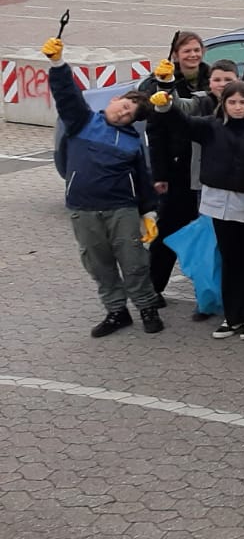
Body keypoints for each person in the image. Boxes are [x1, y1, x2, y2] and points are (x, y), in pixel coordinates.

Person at [43, 34, 164, 337]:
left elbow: (143, 181)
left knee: (134, 262)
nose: (123, 113)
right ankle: (116, 312)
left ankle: (147, 307)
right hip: (83, 210)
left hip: (121, 210)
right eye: (123, 106)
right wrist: (58, 64)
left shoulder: (132, 142)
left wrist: (149, 213)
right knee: (98, 264)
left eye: (129, 115)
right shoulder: (81, 122)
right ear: (114, 101)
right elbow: (66, 94)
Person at [153, 80, 244, 340]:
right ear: (224, 104)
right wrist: (166, 105)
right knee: (229, 260)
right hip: (217, 203)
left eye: (243, 102)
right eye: (232, 102)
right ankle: (232, 316)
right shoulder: (210, 126)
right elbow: (183, 124)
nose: (237, 107)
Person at [138, 32, 210, 304]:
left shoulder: (212, 77)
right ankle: (152, 289)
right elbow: (154, 131)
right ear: (175, 55)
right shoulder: (162, 82)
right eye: (186, 51)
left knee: (208, 235)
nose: (192, 55)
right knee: (168, 230)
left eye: (196, 49)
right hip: (177, 168)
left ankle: (209, 291)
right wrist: (160, 175)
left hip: (207, 167)